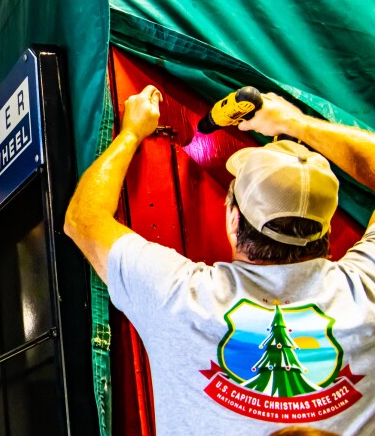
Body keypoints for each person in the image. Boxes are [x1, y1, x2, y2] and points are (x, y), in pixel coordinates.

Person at [64, 86, 375, 435]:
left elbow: (83, 220)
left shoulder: (178, 296)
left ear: (232, 218)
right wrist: (297, 123)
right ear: (327, 227)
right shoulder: (367, 289)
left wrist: (131, 133)